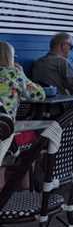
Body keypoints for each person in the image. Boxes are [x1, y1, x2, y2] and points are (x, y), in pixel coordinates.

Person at [0, 41, 45, 189]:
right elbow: (39, 95)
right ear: (9, 57)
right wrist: (22, 74)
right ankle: (25, 189)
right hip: (5, 134)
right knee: (32, 139)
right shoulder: (13, 74)